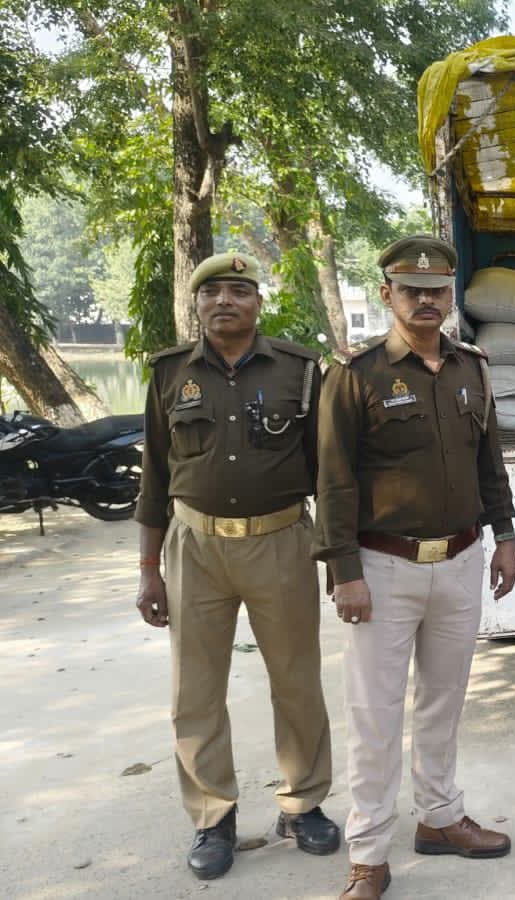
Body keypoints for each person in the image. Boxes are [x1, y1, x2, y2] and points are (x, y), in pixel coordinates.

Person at [313, 235, 515, 900]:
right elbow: (334, 480)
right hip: (382, 567)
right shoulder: (356, 373)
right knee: (374, 716)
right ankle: (369, 855)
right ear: (387, 295)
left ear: (450, 295)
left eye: (436, 290)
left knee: (443, 702)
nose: (426, 300)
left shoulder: (471, 368)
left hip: (460, 559)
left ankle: (440, 816)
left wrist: (505, 535)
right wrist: (344, 570)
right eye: (412, 290)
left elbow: (489, 461)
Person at [133, 251, 337, 881]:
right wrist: (148, 569)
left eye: (239, 291)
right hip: (194, 548)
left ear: (257, 303)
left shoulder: (300, 370)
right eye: (212, 291)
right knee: (194, 692)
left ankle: (303, 804)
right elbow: (154, 477)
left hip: (282, 542)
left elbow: (328, 473)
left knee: (297, 682)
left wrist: (338, 556)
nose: (225, 301)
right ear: (196, 304)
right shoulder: (170, 373)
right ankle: (212, 815)